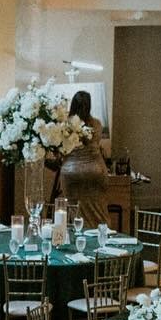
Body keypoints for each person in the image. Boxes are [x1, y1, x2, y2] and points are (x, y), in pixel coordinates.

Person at [49, 88, 109, 223]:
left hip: (72, 172)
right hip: (96, 171)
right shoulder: (97, 124)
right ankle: (101, 237)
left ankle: (78, 238)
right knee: (99, 211)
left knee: (75, 212)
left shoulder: (64, 126)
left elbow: (60, 153)